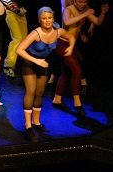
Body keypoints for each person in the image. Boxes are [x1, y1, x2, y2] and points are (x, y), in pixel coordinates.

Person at [16, 7, 74, 141]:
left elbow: (71, 37)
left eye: (49, 18)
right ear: (39, 20)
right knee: (31, 91)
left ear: (53, 19)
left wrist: (71, 47)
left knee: (40, 92)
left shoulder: (58, 31)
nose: (47, 21)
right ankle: (28, 125)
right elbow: (19, 50)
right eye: (44, 18)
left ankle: (36, 122)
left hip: (43, 62)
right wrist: (36, 61)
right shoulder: (36, 33)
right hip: (28, 61)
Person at [52, 0, 109, 116]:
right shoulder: (68, 9)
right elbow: (67, 21)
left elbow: (98, 22)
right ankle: (77, 103)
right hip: (63, 44)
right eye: (80, 2)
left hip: (71, 45)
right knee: (77, 71)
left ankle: (57, 99)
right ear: (74, 1)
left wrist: (103, 13)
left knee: (66, 73)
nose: (82, 4)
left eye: (85, 2)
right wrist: (85, 14)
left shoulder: (84, 10)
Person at [0, 0, 36, 78]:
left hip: (21, 11)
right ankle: (8, 64)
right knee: (17, 38)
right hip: (10, 10)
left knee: (24, 39)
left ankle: (17, 65)